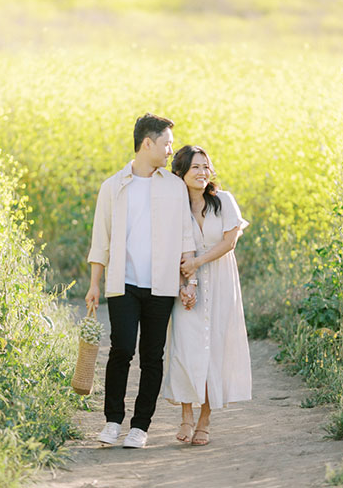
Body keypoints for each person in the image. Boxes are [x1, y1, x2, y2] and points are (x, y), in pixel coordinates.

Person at [85, 113, 196, 449]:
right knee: (121, 349)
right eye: (166, 144)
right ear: (147, 143)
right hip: (123, 284)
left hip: (161, 285)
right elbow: (100, 238)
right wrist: (94, 283)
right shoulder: (113, 186)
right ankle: (112, 421)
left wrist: (189, 281)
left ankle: (140, 426)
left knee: (152, 356)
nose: (169, 151)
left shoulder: (174, 187)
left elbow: (185, 237)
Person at [163, 145, 252, 446]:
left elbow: (230, 242)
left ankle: (205, 419)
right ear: (180, 173)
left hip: (220, 280)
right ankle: (186, 415)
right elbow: (171, 251)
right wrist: (181, 284)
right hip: (186, 282)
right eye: (195, 167)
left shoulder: (223, 201)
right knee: (185, 347)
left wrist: (198, 263)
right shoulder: (174, 207)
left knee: (214, 347)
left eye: (205, 166)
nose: (202, 173)